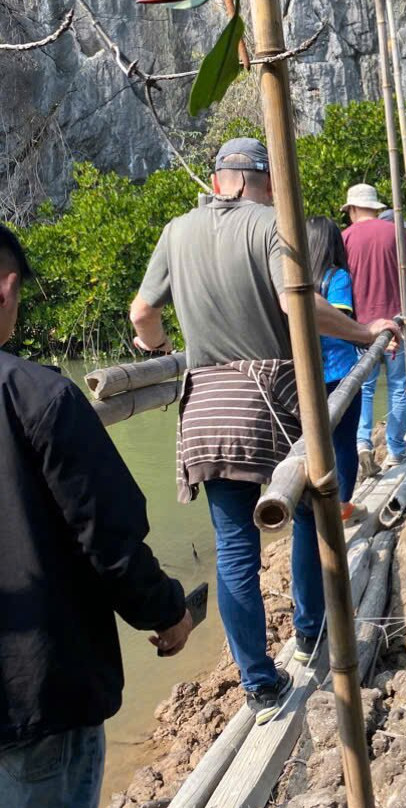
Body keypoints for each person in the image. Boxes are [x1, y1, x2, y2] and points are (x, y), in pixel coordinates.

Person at [129, 140, 400, 724]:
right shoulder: (273, 225)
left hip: (206, 408)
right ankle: (308, 630)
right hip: (272, 403)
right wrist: (364, 331)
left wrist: (160, 348)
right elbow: (296, 304)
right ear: (262, 181)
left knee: (234, 550)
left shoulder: (176, 231)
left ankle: (257, 682)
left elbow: (141, 315)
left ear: (217, 180)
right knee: (307, 513)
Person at [0, 224, 193, 808]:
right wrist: (166, 611)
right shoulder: (38, 396)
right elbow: (107, 535)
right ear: (6, 288)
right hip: (39, 695)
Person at [341, 185, 406, 471]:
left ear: (352, 209)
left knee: (364, 386)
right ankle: (396, 447)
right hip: (397, 321)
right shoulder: (397, 233)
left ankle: (362, 442)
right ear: (376, 207)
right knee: (400, 384)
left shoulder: (344, 238)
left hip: (360, 327)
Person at [305, 216, 365, 524]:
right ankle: (342, 505)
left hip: (305, 377)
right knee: (344, 442)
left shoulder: (293, 283)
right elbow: (339, 320)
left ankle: (311, 506)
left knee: (311, 444)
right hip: (339, 371)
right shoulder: (337, 277)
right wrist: (365, 334)